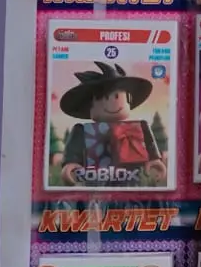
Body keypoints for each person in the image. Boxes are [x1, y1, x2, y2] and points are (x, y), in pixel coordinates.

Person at [57, 60, 167, 188]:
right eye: (103, 98)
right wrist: (71, 164)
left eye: (117, 97)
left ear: (129, 100)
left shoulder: (139, 128)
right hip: (97, 181)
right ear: (90, 106)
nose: (112, 103)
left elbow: (149, 146)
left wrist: (154, 159)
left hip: (130, 180)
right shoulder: (82, 131)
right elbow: (73, 151)